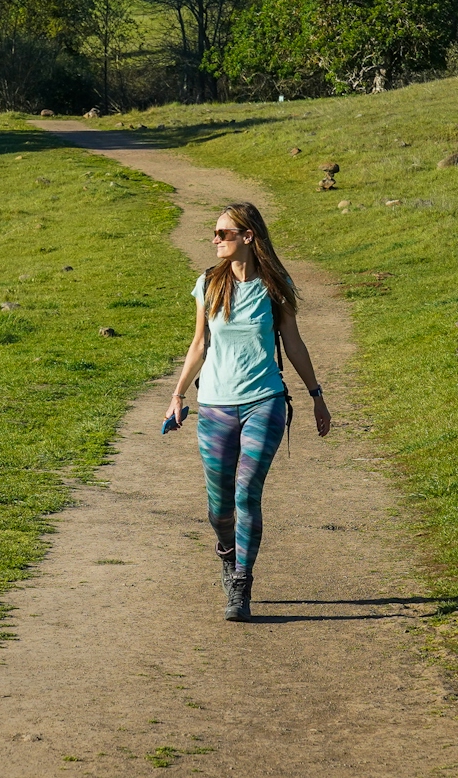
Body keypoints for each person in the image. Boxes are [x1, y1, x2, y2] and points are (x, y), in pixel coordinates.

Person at [164, 202, 331, 621]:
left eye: (224, 233)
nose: (215, 239)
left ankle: (241, 583)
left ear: (248, 237)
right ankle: (226, 552)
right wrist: (178, 395)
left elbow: (293, 342)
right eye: (215, 233)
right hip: (216, 405)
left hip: (265, 402)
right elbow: (200, 343)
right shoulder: (208, 283)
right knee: (219, 506)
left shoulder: (275, 285)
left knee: (246, 493)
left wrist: (316, 395)